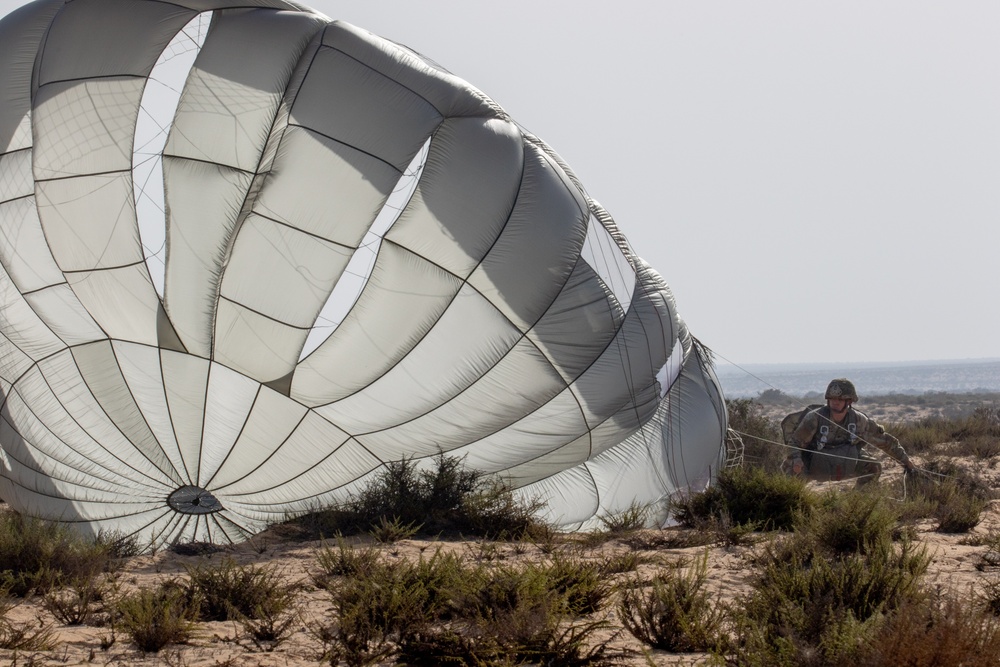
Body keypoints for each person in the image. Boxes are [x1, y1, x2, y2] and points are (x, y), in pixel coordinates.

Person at [786, 378, 915, 484]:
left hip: (847, 464)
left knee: (873, 466)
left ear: (849, 401)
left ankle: (859, 503)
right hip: (815, 464)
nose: (835, 402)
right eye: (832, 398)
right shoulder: (814, 418)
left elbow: (885, 441)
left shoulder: (859, 420)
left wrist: (905, 461)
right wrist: (796, 459)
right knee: (791, 470)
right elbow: (794, 443)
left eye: (840, 399)